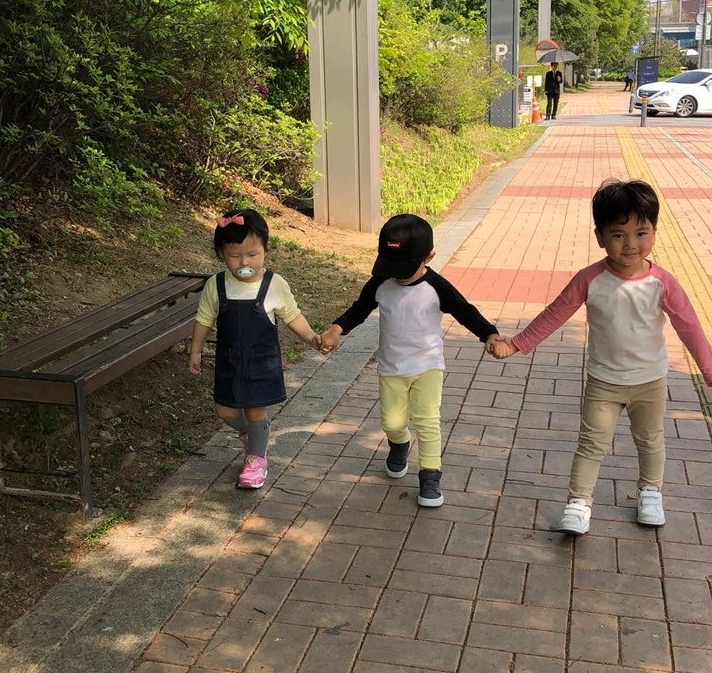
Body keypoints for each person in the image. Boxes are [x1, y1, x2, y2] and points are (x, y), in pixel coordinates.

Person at [488, 181, 712, 535]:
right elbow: (554, 314)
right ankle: (578, 502)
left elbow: (690, 327)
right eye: (618, 235)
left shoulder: (663, 283)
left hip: (649, 381)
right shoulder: (589, 279)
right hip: (603, 381)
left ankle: (650, 492)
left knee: (650, 440)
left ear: (654, 232)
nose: (631, 244)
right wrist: (516, 344)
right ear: (600, 237)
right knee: (591, 443)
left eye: (641, 233)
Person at [319, 214, 501, 508]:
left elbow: (464, 311)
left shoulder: (436, 286)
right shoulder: (382, 282)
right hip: (391, 368)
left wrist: (489, 334)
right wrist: (337, 328)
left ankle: (430, 476)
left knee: (428, 422)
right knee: (391, 422)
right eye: (391, 266)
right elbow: (360, 308)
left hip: (428, 366)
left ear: (429, 256)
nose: (397, 274)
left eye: (403, 267)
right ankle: (399, 443)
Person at [188, 209, 321, 490]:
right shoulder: (216, 285)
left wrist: (311, 337)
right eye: (235, 256)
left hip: (262, 363)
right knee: (224, 411)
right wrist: (195, 350)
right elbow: (204, 319)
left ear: (265, 250)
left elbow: (292, 315)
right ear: (221, 254)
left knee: (255, 412)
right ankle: (254, 434)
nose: (244, 262)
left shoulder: (274, 284)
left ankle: (256, 460)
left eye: (252, 254)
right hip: (229, 362)